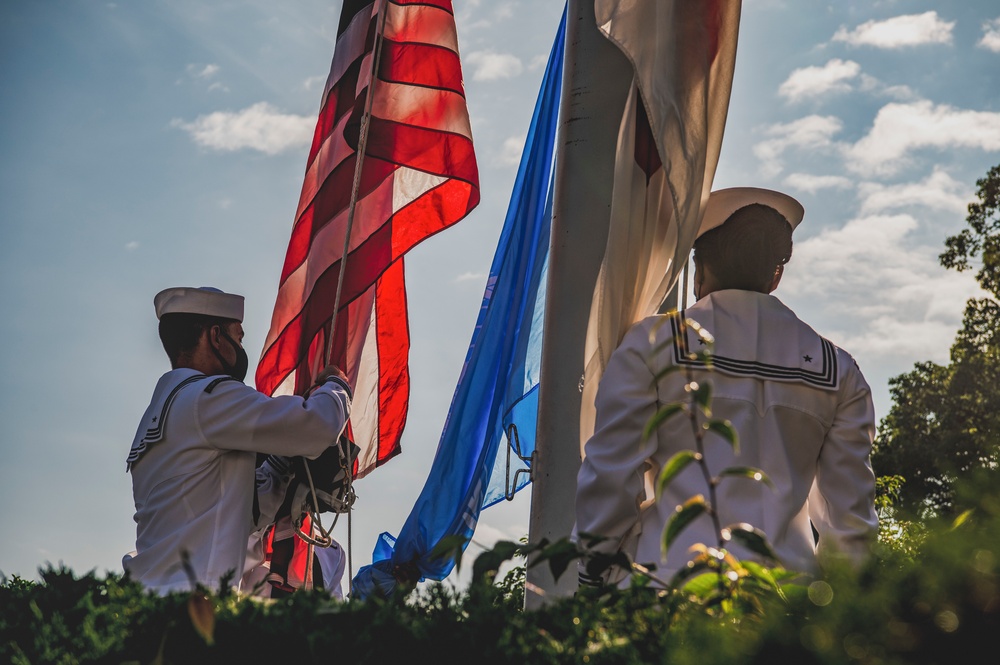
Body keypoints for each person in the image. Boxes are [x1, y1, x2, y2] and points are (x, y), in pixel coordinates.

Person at [574, 187, 878, 588]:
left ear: (700, 269)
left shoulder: (653, 344)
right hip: (785, 610)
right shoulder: (837, 369)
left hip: (668, 594)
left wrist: (594, 580)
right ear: (777, 273)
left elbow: (611, 477)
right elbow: (850, 526)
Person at [123, 286, 352, 595]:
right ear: (216, 336)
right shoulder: (208, 396)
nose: (241, 347)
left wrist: (282, 464)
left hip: (151, 596)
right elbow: (316, 427)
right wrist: (336, 385)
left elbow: (235, 516)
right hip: (190, 599)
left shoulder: (161, 409)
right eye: (238, 337)